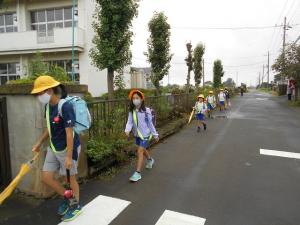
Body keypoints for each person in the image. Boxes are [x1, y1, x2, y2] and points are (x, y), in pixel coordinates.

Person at [31, 76, 82, 222]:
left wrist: (68, 157)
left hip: (68, 147)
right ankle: (68, 197)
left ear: (50, 90)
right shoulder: (47, 107)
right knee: (46, 177)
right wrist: (39, 142)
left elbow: (69, 132)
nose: (39, 96)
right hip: (54, 147)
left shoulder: (65, 106)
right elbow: (49, 128)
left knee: (70, 178)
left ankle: (75, 204)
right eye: (38, 94)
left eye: (40, 93)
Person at [125, 90, 159, 182]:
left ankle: (138, 173)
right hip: (137, 134)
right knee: (143, 149)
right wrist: (127, 130)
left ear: (141, 99)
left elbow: (150, 124)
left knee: (140, 151)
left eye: (137, 98)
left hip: (146, 135)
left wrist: (155, 135)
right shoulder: (132, 111)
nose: (135, 100)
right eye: (133, 98)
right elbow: (130, 121)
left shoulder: (146, 111)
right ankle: (150, 159)